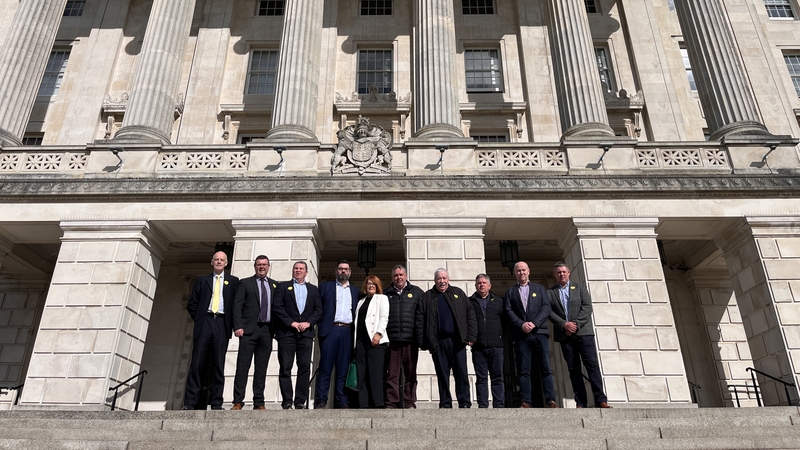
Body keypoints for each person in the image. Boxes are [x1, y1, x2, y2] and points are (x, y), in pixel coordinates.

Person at [548, 262, 611, 409]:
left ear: (569, 273)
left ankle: (601, 400)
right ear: (554, 274)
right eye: (558, 272)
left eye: (564, 272)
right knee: (573, 369)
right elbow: (549, 312)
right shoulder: (549, 293)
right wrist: (564, 325)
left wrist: (574, 325)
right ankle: (580, 402)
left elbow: (587, 307)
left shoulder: (581, 287)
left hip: (583, 333)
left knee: (592, 366)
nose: (561, 274)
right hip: (565, 335)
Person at [183, 251, 239, 410]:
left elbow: (236, 305)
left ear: (226, 263)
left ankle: (216, 403)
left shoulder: (233, 282)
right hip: (205, 322)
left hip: (222, 323)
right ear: (212, 262)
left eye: (222, 260)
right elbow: (192, 303)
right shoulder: (202, 281)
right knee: (197, 363)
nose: (219, 262)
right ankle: (190, 402)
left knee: (218, 365)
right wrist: (200, 319)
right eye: (217, 260)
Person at [416, 268, 477, 408]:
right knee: (442, 375)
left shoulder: (458, 293)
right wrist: (423, 343)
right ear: (435, 280)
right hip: (438, 343)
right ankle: (445, 403)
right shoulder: (427, 297)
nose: (442, 281)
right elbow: (420, 321)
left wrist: (471, 336)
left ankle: (465, 402)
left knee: (461, 373)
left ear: (448, 279)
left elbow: (470, 315)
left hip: (458, 341)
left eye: (444, 278)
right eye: (439, 278)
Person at [505, 261, 557, 408]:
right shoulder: (510, 292)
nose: (521, 273)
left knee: (545, 367)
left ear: (529, 271)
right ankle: (526, 401)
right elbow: (508, 311)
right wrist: (521, 324)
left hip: (539, 332)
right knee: (523, 369)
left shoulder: (539, 289)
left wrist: (534, 323)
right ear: (514, 273)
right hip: (522, 335)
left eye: (523, 270)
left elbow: (546, 307)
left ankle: (551, 400)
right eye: (518, 271)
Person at [231, 255, 278, 410]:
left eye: (264, 265)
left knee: (261, 368)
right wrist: (238, 326)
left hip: (267, 331)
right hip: (248, 330)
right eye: (259, 264)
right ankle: (238, 401)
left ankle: (259, 402)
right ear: (255, 266)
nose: (261, 267)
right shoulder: (245, 283)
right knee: (243, 366)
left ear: (269, 266)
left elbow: (278, 310)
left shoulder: (275, 286)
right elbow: (237, 306)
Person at [273, 261, 322, 409]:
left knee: (304, 367)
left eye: (301, 269)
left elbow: (318, 310)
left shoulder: (313, 290)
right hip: (287, 333)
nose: (298, 271)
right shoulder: (282, 287)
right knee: (285, 366)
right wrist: (291, 323)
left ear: (306, 272)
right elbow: (277, 307)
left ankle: (300, 400)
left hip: (306, 334)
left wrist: (309, 323)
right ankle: (287, 400)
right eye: (296, 268)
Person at [314, 260, 360, 409]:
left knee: (343, 369)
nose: (343, 271)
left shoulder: (355, 291)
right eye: (340, 269)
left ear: (350, 272)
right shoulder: (325, 287)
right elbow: (318, 308)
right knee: (325, 368)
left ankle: (342, 401)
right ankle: (321, 400)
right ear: (336, 271)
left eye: (346, 269)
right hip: (330, 330)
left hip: (347, 331)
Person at [383, 264, 424, 409]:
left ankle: (409, 402)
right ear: (392, 277)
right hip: (392, 340)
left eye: (401, 275)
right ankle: (392, 402)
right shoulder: (386, 294)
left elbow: (422, 316)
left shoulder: (417, 292)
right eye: (396, 275)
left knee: (410, 373)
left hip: (411, 340)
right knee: (392, 374)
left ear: (406, 276)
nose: (398, 277)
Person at [354, 275, 390, 408]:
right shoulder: (361, 301)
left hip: (376, 341)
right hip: (361, 341)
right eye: (368, 283)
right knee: (362, 374)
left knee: (375, 373)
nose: (370, 286)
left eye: (373, 284)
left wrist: (379, 333)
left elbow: (384, 317)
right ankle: (364, 404)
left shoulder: (382, 298)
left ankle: (378, 404)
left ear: (377, 286)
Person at [469, 274, 505, 408]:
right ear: (476, 286)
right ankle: (482, 405)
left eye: (484, 283)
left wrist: (499, 335)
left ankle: (499, 405)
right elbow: (467, 321)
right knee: (481, 378)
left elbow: (505, 321)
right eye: (479, 283)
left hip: (496, 345)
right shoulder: (470, 302)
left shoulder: (499, 301)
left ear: (489, 286)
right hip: (478, 347)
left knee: (497, 377)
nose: (481, 285)